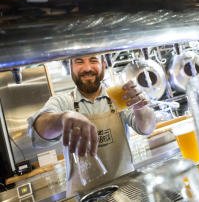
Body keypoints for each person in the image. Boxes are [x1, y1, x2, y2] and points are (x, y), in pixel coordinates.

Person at [27, 54, 156, 197]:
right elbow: (37, 132)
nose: (87, 68)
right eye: (79, 62)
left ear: (104, 66)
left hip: (126, 192)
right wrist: (61, 119)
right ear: (71, 68)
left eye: (93, 61)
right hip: (84, 196)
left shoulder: (120, 95)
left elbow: (146, 128)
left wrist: (141, 107)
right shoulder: (62, 102)